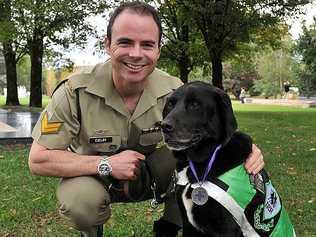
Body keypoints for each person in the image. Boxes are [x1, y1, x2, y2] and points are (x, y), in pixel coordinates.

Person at [28, 2, 264, 237]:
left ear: (158, 50)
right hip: (93, 176)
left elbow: (211, 131)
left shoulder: (175, 91)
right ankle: (91, 233)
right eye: (125, 42)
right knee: (80, 202)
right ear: (108, 44)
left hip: (148, 174)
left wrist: (246, 150)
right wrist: (107, 164)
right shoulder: (74, 91)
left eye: (147, 44)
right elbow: (38, 159)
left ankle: (170, 226)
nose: (136, 54)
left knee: (190, 160)